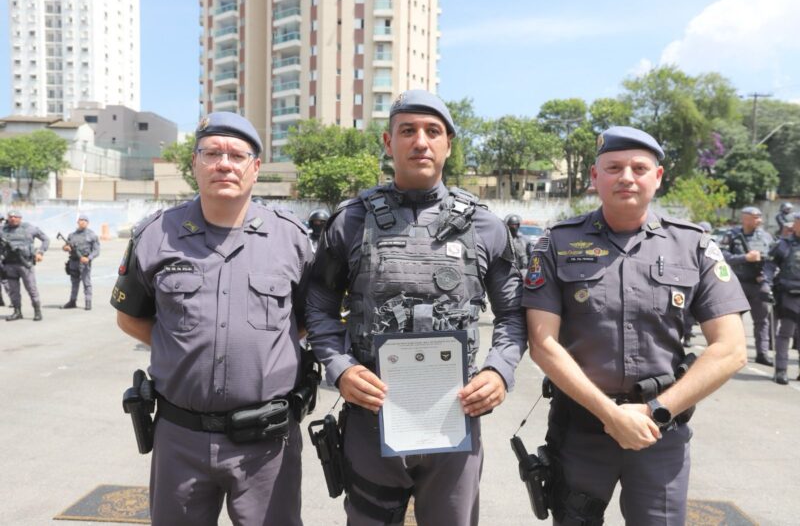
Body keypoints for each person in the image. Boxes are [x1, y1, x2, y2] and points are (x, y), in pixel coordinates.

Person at [305, 89, 527, 525]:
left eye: (432, 131)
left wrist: (499, 370)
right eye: (407, 131)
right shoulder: (350, 220)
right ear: (389, 143)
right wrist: (340, 368)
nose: (420, 141)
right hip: (372, 418)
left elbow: (515, 314)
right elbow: (318, 306)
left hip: (455, 420)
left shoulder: (485, 225)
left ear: (448, 143)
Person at [523, 126, 748, 525]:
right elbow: (543, 343)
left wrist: (657, 411)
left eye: (639, 167)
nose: (626, 176)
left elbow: (730, 348)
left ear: (657, 178)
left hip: (660, 433)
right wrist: (611, 415)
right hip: (580, 431)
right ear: (594, 177)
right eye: (613, 167)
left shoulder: (694, 245)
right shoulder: (556, 244)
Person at [110, 111, 312, 526]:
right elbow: (130, 318)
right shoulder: (155, 236)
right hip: (180, 438)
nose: (224, 164)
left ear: (255, 168)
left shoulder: (292, 239)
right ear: (194, 164)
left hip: (266, 441)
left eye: (238, 155)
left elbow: (309, 319)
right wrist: (181, 348)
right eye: (212, 153)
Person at [721, 206, 775, 365]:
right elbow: (722, 256)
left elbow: (773, 259)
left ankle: (762, 353)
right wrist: (745, 258)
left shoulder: (766, 237)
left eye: (760, 217)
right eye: (755, 217)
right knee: (732, 320)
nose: (760, 220)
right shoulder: (732, 235)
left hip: (758, 284)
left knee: (762, 320)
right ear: (745, 218)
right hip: (737, 283)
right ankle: (730, 351)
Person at [764, 212, 800, 385]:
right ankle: (781, 370)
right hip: (788, 296)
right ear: (795, 224)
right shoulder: (784, 245)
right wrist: (766, 284)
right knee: (785, 334)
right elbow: (769, 266)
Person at [0, 209, 49, 321]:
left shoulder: (29, 228)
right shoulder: (3, 230)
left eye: (15, 217)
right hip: (9, 265)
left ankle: (37, 312)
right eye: (10, 217)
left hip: (25, 264)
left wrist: (40, 252)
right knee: (13, 290)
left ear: (20, 218)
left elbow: (45, 239)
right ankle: (17, 312)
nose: (13, 219)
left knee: (31, 288)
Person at [61, 214, 100, 310]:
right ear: (77, 222)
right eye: (80, 220)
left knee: (87, 283)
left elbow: (97, 250)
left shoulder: (92, 235)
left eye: (84, 220)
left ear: (87, 223)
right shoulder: (72, 235)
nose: (82, 222)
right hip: (73, 262)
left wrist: (89, 258)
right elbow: (65, 246)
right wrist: (66, 248)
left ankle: (88, 302)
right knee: (74, 283)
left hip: (84, 263)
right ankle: (72, 301)